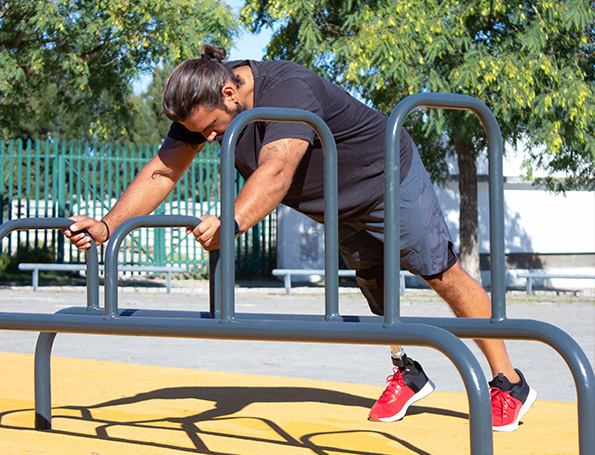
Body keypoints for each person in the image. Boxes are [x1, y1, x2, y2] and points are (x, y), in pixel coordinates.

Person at [64, 44, 536, 431]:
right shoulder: (205, 107)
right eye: (198, 133)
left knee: (441, 274)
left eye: (211, 129)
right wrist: (108, 227)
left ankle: (509, 382)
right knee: (373, 285)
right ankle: (409, 374)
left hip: (387, 179)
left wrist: (231, 222)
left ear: (230, 91)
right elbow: (162, 172)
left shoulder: (289, 88)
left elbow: (276, 170)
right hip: (339, 203)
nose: (207, 140)